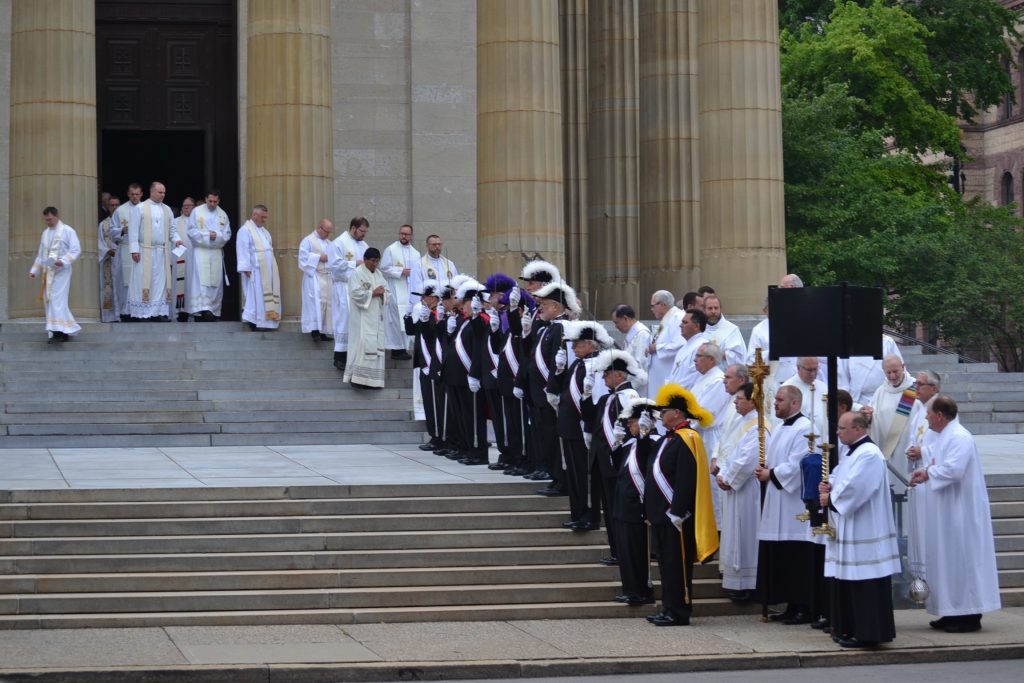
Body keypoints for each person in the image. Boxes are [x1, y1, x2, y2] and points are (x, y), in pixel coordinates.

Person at [909, 396, 1001, 633]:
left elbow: (954, 469)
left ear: (940, 415)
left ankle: (969, 615)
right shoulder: (945, 436)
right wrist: (925, 471)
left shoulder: (959, 437)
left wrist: (929, 474)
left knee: (962, 561)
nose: (926, 417)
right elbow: (939, 462)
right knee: (947, 562)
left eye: (929, 413)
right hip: (947, 511)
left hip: (961, 512)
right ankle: (951, 611)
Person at [819, 411, 900, 648]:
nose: (837, 432)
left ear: (858, 429)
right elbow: (842, 478)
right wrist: (830, 484)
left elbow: (856, 487)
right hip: (853, 527)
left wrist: (830, 498)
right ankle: (852, 628)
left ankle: (869, 634)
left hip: (866, 531)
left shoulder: (870, 454)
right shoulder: (852, 452)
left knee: (866, 583)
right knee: (853, 582)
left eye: (842, 428)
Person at [645, 383, 718, 626]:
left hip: (676, 516)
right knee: (666, 564)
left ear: (676, 412)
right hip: (661, 514)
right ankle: (668, 606)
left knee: (678, 565)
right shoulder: (668, 438)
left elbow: (687, 478)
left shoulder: (689, 438)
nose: (661, 416)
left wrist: (677, 511)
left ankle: (679, 610)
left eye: (663, 411)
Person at [755, 385, 820, 624]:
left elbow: (799, 465)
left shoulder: (806, 428)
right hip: (777, 500)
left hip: (794, 504)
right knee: (783, 555)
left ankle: (803, 606)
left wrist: (771, 474)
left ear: (795, 403)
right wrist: (765, 470)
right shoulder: (781, 428)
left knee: (797, 556)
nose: (775, 404)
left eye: (780, 400)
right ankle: (791, 605)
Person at [552, 321, 613, 530]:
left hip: (581, 428)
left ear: (590, 345)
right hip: (569, 427)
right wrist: (559, 369)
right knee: (574, 475)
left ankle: (590, 515)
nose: (574, 348)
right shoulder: (578, 363)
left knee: (585, 476)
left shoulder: (594, 366)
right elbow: (562, 389)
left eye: (578, 344)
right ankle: (577, 513)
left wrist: (588, 427)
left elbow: (592, 399)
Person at [589, 349, 645, 564]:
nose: (604, 378)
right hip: (603, 462)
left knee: (619, 510)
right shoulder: (606, 398)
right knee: (610, 509)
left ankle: (623, 552)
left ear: (620, 375)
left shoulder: (629, 397)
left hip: (618, 462)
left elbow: (634, 431)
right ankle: (616, 551)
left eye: (607, 374)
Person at [610, 396, 660, 606]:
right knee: (625, 552)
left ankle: (641, 591)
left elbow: (645, 457)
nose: (629, 426)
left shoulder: (651, 442)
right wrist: (617, 443)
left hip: (636, 507)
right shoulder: (631, 444)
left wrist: (644, 434)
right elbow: (617, 467)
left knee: (636, 553)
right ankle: (629, 588)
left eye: (632, 422)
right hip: (623, 506)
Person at [716, 381, 763, 601]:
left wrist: (728, 478)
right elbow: (730, 451)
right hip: (736, 487)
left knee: (745, 534)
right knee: (735, 533)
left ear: (752, 401)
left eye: (740, 399)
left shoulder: (758, 426)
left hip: (748, 490)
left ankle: (748, 584)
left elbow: (748, 459)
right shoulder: (745, 423)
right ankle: (736, 581)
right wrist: (723, 473)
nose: (735, 401)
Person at [443, 278, 489, 463]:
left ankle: (478, 452)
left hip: (468, 377)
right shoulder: (465, 321)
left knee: (473, 417)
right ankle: (466, 448)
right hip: (456, 377)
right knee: (462, 417)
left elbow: (479, 346)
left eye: (466, 303)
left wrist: (475, 374)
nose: (463, 307)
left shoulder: (480, 320)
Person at [127, 181, 184, 320]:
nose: (163, 195)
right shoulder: (140, 208)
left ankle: (159, 312)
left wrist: (176, 239)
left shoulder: (167, 210)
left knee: (160, 281)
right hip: (144, 249)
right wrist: (134, 250)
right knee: (144, 280)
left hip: (162, 250)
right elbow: (133, 230)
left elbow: (172, 229)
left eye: (164, 192)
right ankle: (142, 313)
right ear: (152, 192)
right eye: (160, 192)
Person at [904, 370, 940, 580]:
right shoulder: (919, 410)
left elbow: (945, 445)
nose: (915, 388)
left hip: (932, 478)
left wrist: (923, 452)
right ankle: (921, 577)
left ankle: (931, 574)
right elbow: (913, 437)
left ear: (934, 388)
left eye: (920, 384)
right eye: (916, 384)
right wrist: (911, 451)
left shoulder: (941, 408)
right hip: (919, 476)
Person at [29, 206, 82, 343]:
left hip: (62, 271)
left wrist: (63, 261)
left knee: (56, 300)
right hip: (49, 272)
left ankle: (59, 332)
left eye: (50, 219)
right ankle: (61, 331)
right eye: (46, 220)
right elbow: (41, 254)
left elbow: (76, 250)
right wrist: (34, 270)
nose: (48, 222)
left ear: (56, 216)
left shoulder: (68, 231)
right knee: (50, 300)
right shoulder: (45, 233)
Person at [862, 355, 916, 480]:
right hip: (887, 449)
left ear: (903, 367)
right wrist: (868, 416)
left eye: (895, 371)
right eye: (888, 372)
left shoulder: (915, 389)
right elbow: (872, 416)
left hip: (907, 448)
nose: (892, 376)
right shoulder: (880, 391)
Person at [344, 247, 389, 389]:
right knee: (363, 344)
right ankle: (357, 379)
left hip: (376, 317)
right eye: (373, 261)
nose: (375, 264)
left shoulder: (379, 274)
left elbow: (387, 291)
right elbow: (355, 293)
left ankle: (373, 381)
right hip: (362, 318)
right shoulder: (357, 273)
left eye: (377, 261)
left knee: (376, 345)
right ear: (365, 260)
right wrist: (372, 293)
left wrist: (383, 293)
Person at [407, 279, 444, 451]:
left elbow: (433, 336)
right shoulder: (426, 312)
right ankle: (434, 434)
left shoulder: (438, 314)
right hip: (422, 362)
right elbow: (412, 331)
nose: (422, 299)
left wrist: (427, 318)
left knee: (435, 403)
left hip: (433, 363)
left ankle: (438, 436)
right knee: (429, 402)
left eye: (425, 297)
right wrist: (408, 315)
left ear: (434, 298)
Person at [329, 217, 370, 369]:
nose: (364, 234)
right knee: (344, 320)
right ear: (353, 228)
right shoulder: (338, 243)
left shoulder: (364, 245)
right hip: (343, 287)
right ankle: (339, 356)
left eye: (365, 232)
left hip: (359, 289)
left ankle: (354, 355)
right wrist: (355, 263)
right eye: (362, 231)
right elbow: (334, 265)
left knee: (357, 322)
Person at [186, 190, 231, 321]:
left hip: (216, 252)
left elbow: (227, 234)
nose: (212, 204)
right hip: (201, 251)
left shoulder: (223, 214)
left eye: (215, 202)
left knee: (215, 282)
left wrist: (216, 236)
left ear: (219, 201)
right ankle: (202, 310)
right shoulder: (197, 211)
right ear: (206, 199)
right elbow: (191, 231)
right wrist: (207, 236)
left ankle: (213, 310)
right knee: (201, 281)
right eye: (210, 201)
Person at [236, 204, 281, 330]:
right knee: (254, 298)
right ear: (254, 215)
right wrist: (246, 269)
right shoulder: (245, 230)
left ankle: (267, 323)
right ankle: (254, 322)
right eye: (262, 217)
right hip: (254, 270)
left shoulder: (265, 232)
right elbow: (242, 249)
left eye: (266, 217)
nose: (264, 220)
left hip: (267, 272)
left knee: (265, 298)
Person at [381, 224, 419, 360]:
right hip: (395, 290)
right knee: (396, 320)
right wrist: (401, 271)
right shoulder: (391, 249)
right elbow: (384, 269)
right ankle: (396, 349)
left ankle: (404, 347)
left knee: (406, 318)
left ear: (411, 236)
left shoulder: (416, 253)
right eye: (401, 233)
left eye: (406, 234)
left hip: (408, 292)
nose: (403, 236)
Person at [838, 334, 904, 407]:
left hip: (885, 398)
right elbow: (842, 380)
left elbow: (899, 369)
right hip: (857, 401)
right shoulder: (847, 345)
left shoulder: (886, 342)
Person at [299, 219, 335, 342]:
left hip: (327, 276)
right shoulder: (307, 241)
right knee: (315, 304)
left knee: (327, 304)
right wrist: (319, 257)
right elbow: (302, 259)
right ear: (320, 228)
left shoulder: (330, 243)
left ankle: (324, 331)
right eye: (326, 231)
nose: (328, 235)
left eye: (330, 232)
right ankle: (314, 331)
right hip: (314, 277)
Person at [645, 290, 685, 399]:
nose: (651, 309)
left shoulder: (678, 317)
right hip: (658, 376)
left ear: (662, 305)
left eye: (653, 306)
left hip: (667, 373)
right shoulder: (667, 319)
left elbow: (680, 344)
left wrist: (657, 348)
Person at [111, 183, 143, 320]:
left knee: (142, 280)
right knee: (125, 283)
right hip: (125, 249)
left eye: (137, 194)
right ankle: (126, 312)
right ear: (128, 194)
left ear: (141, 194)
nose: (135, 197)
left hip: (143, 250)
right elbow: (112, 231)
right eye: (132, 194)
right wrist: (122, 230)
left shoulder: (147, 209)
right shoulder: (120, 210)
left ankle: (142, 312)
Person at [781, 356, 828, 443]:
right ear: (798, 368)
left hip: (823, 439)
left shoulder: (822, 386)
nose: (813, 373)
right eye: (809, 370)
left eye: (815, 369)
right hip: (800, 441)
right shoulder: (787, 388)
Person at [408, 234, 459, 308]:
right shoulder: (419, 264)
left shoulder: (449, 264)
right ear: (427, 246)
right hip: (429, 305)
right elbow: (416, 287)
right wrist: (419, 306)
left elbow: (455, 284)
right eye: (434, 244)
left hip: (448, 304)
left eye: (439, 244)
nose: (437, 247)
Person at [611, 304, 651, 397]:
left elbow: (640, 365)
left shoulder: (642, 334)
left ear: (625, 318)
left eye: (616, 322)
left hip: (637, 390)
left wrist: (627, 387)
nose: (616, 327)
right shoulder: (632, 335)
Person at [667, 309, 708, 390]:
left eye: (685, 322)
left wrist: (674, 392)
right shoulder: (684, 347)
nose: (680, 325)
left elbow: (693, 377)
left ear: (696, 326)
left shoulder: (702, 347)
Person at [702, 294, 745, 368]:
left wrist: (716, 354)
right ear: (704, 309)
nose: (713, 311)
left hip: (724, 376)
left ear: (720, 309)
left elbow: (739, 356)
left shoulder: (731, 329)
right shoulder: (699, 329)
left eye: (716, 308)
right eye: (710, 308)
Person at [97, 195, 121, 322]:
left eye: (117, 205)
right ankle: (111, 316)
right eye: (112, 205)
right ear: (107, 207)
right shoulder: (103, 224)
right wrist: (107, 251)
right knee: (109, 286)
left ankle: (124, 314)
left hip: (123, 261)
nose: (114, 207)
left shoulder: (125, 222)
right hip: (109, 260)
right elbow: (99, 243)